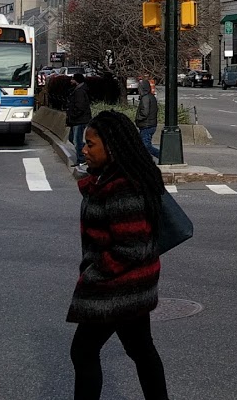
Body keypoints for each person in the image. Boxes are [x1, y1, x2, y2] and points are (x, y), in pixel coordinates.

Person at [68, 111, 171, 400]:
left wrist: (95, 273)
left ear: (111, 147)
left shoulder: (123, 187)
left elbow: (131, 247)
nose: (83, 149)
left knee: (83, 351)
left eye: (90, 145)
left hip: (117, 286)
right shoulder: (113, 178)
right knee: (141, 349)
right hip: (134, 286)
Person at [67, 73, 94, 170]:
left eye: (72, 79)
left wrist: (73, 115)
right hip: (78, 119)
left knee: (77, 140)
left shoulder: (79, 92)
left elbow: (80, 107)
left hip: (79, 120)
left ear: (76, 80)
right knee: (72, 138)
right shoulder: (79, 90)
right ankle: (84, 154)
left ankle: (81, 159)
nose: (71, 81)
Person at [135, 78, 160, 159]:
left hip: (147, 125)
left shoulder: (145, 98)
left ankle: (162, 156)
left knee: (146, 146)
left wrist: (138, 118)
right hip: (150, 124)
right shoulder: (151, 97)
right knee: (142, 145)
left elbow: (145, 112)